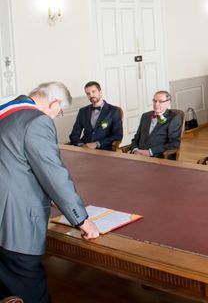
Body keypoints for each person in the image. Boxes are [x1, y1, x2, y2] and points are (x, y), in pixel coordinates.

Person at [0, 82, 99, 302]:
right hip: (14, 225)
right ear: (53, 102)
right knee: (30, 292)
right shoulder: (36, 121)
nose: (55, 116)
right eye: (59, 111)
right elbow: (53, 176)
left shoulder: (6, 112)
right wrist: (81, 220)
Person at [69, 80, 123, 150]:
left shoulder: (114, 111)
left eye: (93, 92)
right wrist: (81, 145)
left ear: (100, 92)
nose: (91, 95)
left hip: (104, 149)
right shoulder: (82, 111)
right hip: (85, 149)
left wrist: (97, 144)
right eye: (88, 93)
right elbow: (74, 134)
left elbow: (118, 135)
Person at [130, 91, 182, 157]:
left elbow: (174, 144)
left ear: (168, 102)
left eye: (160, 101)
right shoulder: (145, 116)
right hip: (138, 155)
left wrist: (150, 152)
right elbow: (136, 138)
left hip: (159, 157)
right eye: (154, 101)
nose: (156, 104)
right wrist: (135, 150)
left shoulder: (174, 118)